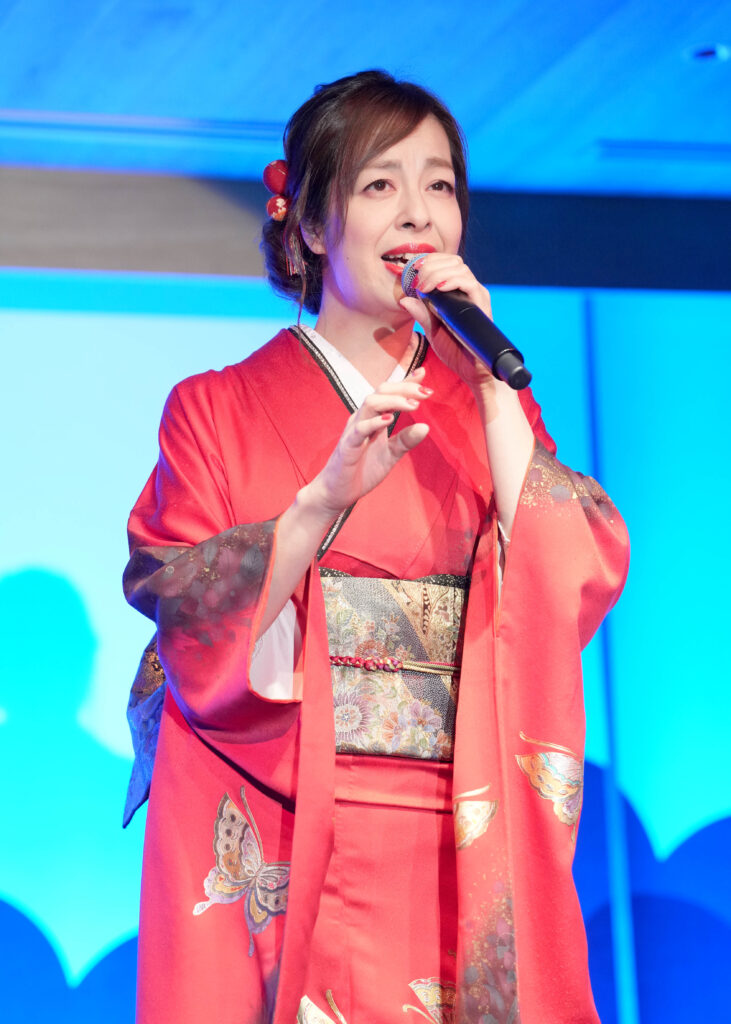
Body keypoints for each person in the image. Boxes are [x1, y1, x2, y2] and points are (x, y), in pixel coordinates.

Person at [123, 70, 629, 1024]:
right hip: (292, 816)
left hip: (463, 826)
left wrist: (493, 391)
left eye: (439, 185)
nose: (418, 214)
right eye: (379, 184)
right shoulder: (214, 408)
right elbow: (184, 611)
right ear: (312, 226)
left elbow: (573, 574)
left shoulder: (490, 403)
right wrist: (317, 506)